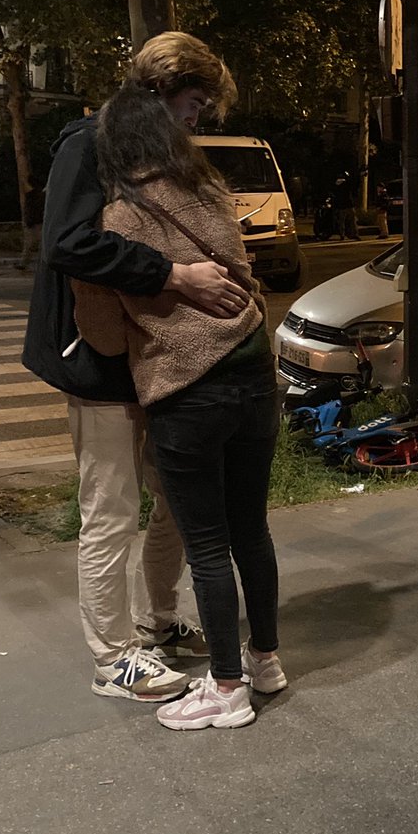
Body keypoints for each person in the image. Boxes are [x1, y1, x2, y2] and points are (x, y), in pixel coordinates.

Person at [21, 32, 247, 703]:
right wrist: (176, 276)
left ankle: (159, 621)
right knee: (111, 507)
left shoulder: (153, 155)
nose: (196, 120)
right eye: (194, 104)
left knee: (176, 500)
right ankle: (113, 656)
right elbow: (67, 243)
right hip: (98, 361)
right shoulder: (87, 143)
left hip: (155, 359)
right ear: (160, 93)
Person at [88, 81, 287, 730]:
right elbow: (246, 275)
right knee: (250, 530)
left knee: (205, 547)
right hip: (256, 373)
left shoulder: (121, 217)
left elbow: (107, 331)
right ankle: (264, 661)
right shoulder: (212, 193)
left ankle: (226, 690)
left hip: (188, 391)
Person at [333, 172, 358, 241]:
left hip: (341, 206)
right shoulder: (346, 184)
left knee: (342, 221)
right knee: (353, 220)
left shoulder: (336, 185)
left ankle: (342, 235)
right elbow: (353, 185)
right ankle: (354, 234)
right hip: (349, 205)